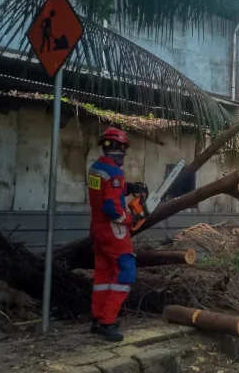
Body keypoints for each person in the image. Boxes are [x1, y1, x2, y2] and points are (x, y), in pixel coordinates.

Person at [86, 127, 147, 341]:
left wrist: (127, 187)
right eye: (123, 148)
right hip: (114, 231)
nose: (123, 153)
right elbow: (112, 209)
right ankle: (107, 322)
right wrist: (132, 219)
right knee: (125, 272)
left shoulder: (96, 168)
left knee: (103, 275)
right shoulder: (114, 172)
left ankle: (98, 318)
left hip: (98, 228)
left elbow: (105, 192)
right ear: (118, 147)